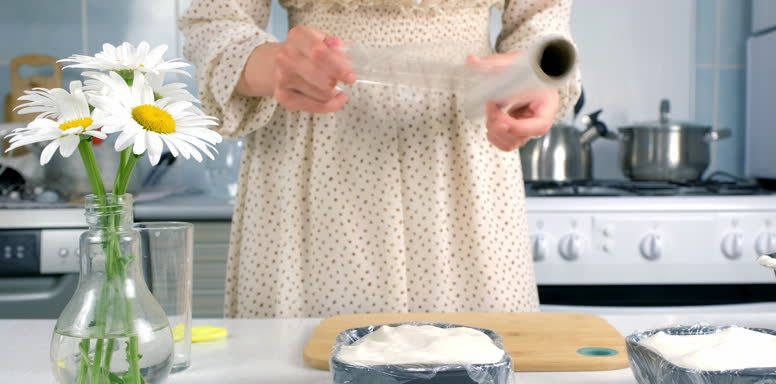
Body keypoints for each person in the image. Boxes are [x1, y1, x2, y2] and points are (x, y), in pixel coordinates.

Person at [179, 0, 581, 318]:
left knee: (481, 367)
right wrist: (273, 64)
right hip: (314, 148)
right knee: (301, 375)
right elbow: (216, 22)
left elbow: (541, 19)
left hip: (464, 155)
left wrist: (537, 76)